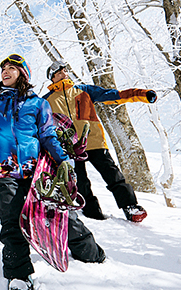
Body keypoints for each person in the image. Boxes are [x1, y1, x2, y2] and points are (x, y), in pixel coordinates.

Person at [0, 54, 105, 290]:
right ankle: (18, 275)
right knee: (12, 221)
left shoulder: (37, 105)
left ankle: (91, 253)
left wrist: (63, 160)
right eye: (3, 69)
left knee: (58, 214)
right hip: (2, 171)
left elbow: (47, 135)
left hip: (37, 173)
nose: (5, 72)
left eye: (11, 68)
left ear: (23, 74)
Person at [43, 60, 157, 222]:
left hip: (94, 142)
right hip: (69, 148)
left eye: (65, 71)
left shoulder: (84, 91)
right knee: (79, 183)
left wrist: (142, 94)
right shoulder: (46, 101)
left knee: (113, 175)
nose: (64, 74)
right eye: (59, 73)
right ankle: (91, 212)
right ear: (52, 78)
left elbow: (114, 95)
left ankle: (130, 207)